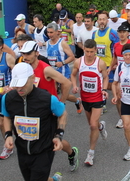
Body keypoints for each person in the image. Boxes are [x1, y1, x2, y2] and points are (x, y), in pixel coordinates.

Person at [19, 40, 79, 172]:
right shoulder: (24, 67)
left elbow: (66, 83)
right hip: (33, 111)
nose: (25, 57)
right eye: (23, 54)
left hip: (48, 111)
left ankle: (71, 153)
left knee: (51, 141)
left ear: (36, 53)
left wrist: (61, 103)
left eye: (28, 53)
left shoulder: (45, 68)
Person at [1, 63, 65, 181]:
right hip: (22, 151)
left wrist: (58, 135)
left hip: (43, 151)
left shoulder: (47, 99)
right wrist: (8, 135)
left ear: (33, 78)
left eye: (23, 84)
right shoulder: (8, 98)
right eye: (16, 84)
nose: (19, 88)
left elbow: (62, 114)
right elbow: (7, 116)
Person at [71, 39, 109, 166]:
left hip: (97, 98)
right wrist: (74, 85)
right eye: (87, 51)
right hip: (85, 98)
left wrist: (104, 89)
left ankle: (90, 153)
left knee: (93, 125)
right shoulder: (78, 62)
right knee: (93, 125)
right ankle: (101, 127)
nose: (89, 54)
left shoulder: (100, 63)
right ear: (84, 50)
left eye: (92, 52)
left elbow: (105, 77)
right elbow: (73, 75)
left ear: (96, 50)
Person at [45, 23, 82, 113]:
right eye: (48, 32)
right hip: (53, 74)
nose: (49, 35)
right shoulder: (47, 43)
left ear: (57, 32)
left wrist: (62, 62)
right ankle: (57, 110)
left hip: (63, 73)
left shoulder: (62, 43)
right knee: (53, 94)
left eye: (51, 32)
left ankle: (77, 101)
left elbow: (72, 57)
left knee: (65, 95)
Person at [92, 13, 119, 89]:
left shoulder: (112, 33)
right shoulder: (94, 33)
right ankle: (101, 99)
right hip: (97, 64)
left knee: (110, 86)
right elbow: (92, 49)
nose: (102, 21)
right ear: (97, 21)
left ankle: (118, 97)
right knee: (98, 84)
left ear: (107, 21)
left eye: (104, 19)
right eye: (100, 19)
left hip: (108, 64)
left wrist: (115, 63)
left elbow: (117, 50)